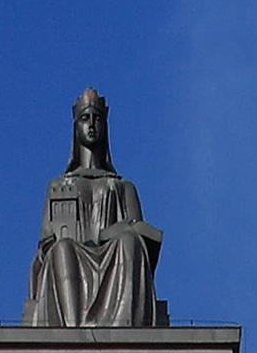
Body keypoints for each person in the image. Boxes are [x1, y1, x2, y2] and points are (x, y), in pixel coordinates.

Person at [23, 89, 165, 330]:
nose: (91, 124)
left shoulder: (124, 187)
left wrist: (116, 232)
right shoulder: (58, 186)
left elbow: (139, 234)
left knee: (130, 242)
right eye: (85, 118)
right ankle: (72, 331)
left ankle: (122, 326)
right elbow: (45, 243)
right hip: (72, 255)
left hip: (113, 254)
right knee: (61, 249)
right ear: (76, 126)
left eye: (97, 118)